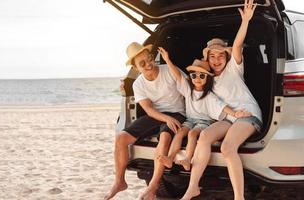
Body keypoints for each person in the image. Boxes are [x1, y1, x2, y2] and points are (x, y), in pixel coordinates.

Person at [181, 0, 262, 200]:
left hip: (248, 114)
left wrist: (245, 21)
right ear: (207, 59)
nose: (217, 60)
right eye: (212, 57)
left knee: (227, 148)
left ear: (226, 58)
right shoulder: (206, 81)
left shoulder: (234, 69)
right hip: (229, 117)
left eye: (220, 56)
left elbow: (237, 45)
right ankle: (193, 187)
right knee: (205, 136)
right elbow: (183, 83)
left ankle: (238, 197)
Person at [104, 42, 186, 200]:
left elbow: (188, 86)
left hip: (178, 112)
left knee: (165, 137)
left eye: (149, 59)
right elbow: (148, 110)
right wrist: (165, 118)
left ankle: (153, 186)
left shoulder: (169, 69)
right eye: (142, 63)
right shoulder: (138, 83)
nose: (148, 64)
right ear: (136, 68)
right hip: (157, 114)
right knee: (121, 138)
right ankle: (119, 181)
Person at [157, 47, 249, 171]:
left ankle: (188, 159)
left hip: (204, 122)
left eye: (202, 75)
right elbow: (177, 75)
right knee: (179, 134)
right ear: (190, 78)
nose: (197, 78)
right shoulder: (188, 90)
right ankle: (170, 158)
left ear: (207, 78)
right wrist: (167, 60)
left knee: (192, 134)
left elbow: (222, 106)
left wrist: (235, 113)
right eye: (194, 75)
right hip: (190, 120)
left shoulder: (209, 95)